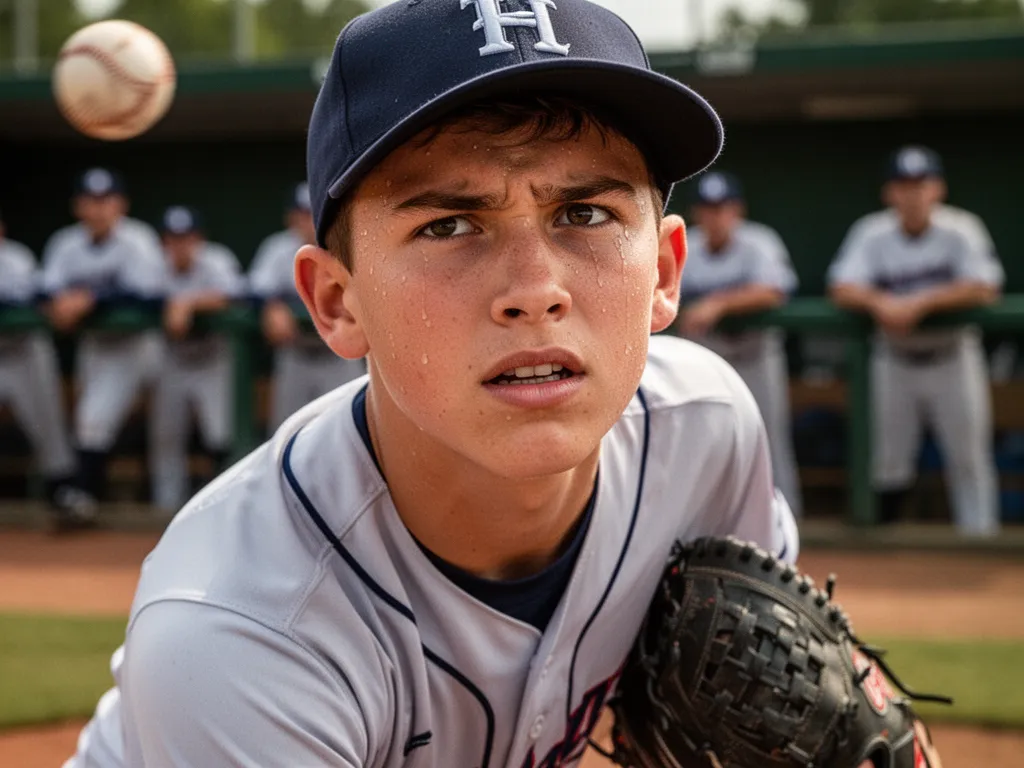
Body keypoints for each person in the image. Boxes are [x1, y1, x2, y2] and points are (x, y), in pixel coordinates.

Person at [65, 2, 831, 765]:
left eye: (585, 213)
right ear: (337, 303)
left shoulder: (705, 430)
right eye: (449, 226)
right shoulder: (239, 632)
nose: (536, 289)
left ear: (663, 273)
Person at [828, 145, 1004, 536]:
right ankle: (885, 546)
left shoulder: (962, 228)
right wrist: (880, 302)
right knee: (888, 461)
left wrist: (921, 302)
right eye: (903, 185)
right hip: (895, 360)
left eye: (921, 184)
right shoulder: (871, 232)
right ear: (889, 192)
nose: (913, 194)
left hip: (952, 357)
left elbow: (986, 286)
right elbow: (840, 287)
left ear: (938, 189)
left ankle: (980, 542)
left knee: (969, 459)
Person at [40, 168, 165, 529]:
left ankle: (83, 496)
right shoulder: (65, 243)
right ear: (77, 206)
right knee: (91, 421)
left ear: (120, 204)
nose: (98, 209)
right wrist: (58, 303)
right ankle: (84, 497)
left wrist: (90, 299)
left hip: (138, 347)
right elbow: (45, 287)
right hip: (95, 346)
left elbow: (149, 294)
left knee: (101, 420)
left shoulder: (138, 239)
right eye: (90, 201)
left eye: (105, 200)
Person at [674, 171, 803, 517]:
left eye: (722, 208)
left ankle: (784, 521)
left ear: (737, 210)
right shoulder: (685, 244)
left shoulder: (759, 241)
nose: (715, 216)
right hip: (706, 364)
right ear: (697, 212)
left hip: (755, 359)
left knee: (769, 442)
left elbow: (774, 291)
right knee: (703, 442)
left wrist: (718, 304)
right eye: (708, 208)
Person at [148, 206, 245, 513]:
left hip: (212, 360)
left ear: (198, 239)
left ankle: (222, 506)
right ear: (164, 242)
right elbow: (136, 297)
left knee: (219, 434)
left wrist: (187, 303)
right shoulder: (154, 266)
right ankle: (165, 508)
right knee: (165, 437)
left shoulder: (216, 260)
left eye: (186, 238)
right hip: (173, 361)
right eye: (173, 239)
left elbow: (235, 294)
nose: (180, 245)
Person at [248, 182, 366, 430]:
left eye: (314, 213)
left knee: (350, 428)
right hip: (296, 351)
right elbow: (255, 288)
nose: (309, 222)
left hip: (340, 354)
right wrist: (272, 305)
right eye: (302, 215)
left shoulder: (347, 242)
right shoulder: (278, 248)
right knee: (286, 430)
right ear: (291, 218)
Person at [0, 210, 78, 513]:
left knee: (46, 424)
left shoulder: (16, 258)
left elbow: (35, 298)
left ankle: (63, 492)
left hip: (25, 352)